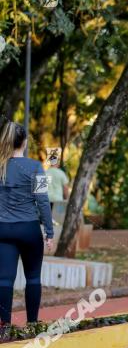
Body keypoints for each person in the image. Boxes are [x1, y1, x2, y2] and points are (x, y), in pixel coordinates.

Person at [0, 121, 54, 326]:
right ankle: (32, 324)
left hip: (3, 229)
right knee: (33, 278)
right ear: (24, 141)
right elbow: (42, 201)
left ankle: (3, 326)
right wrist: (49, 232)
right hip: (29, 229)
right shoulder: (35, 167)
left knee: (4, 280)